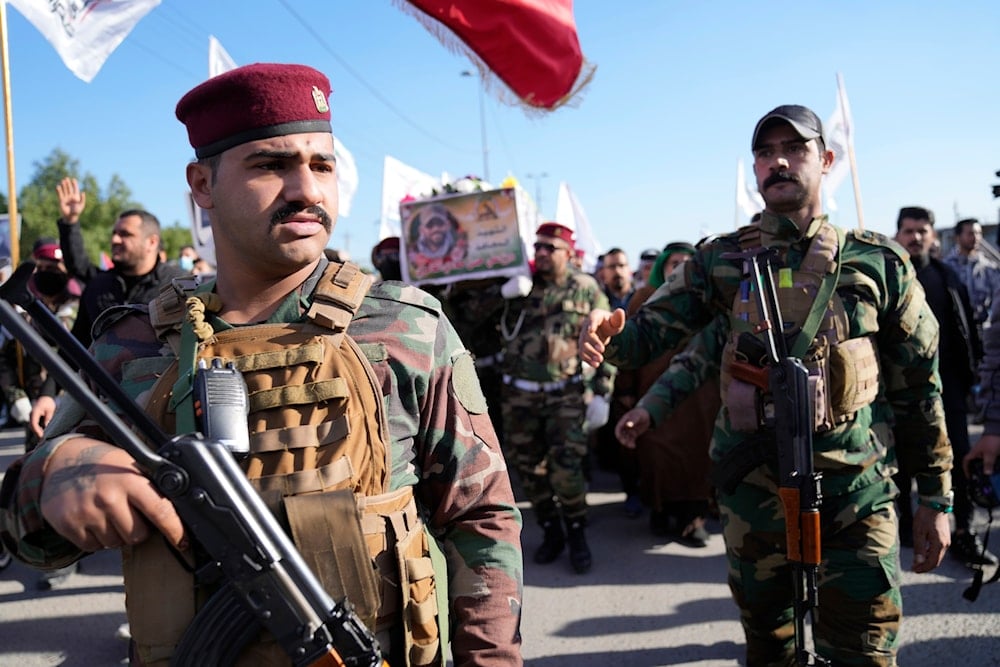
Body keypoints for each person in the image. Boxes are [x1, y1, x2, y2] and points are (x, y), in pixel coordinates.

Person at [0, 63, 522, 666]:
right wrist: (60, 472)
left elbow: (482, 518)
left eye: (321, 165)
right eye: (271, 165)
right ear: (201, 185)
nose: (307, 190)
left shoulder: (406, 326)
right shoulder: (135, 345)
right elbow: (25, 539)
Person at [580, 104, 953, 665]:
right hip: (754, 493)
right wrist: (608, 333)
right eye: (764, 152)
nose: (778, 161)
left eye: (795, 149)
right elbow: (649, 335)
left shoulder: (879, 263)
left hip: (855, 492)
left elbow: (920, 388)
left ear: (826, 160)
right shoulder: (721, 261)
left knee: (866, 650)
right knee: (769, 648)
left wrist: (935, 497)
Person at [28, 179, 187, 445]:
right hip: (104, 414)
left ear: (152, 242)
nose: (114, 239)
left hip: (166, 416)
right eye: (114, 233)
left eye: (125, 234)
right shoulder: (99, 286)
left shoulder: (180, 286)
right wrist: (47, 393)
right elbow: (75, 349)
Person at [499, 222, 615, 574]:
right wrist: (501, 295)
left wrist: (602, 392)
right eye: (538, 248)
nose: (543, 253)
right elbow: (472, 321)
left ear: (568, 252)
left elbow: (608, 338)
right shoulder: (520, 286)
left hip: (565, 394)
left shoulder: (585, 288)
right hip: (519, 395)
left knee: (567, 470)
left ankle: (577, 534)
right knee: (529, 471)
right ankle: (551, 531)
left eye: (551, 247)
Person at [894, 207, 996, 566]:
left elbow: (966, 330)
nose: (916, 237)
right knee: (902, 465)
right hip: (897, 392)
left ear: (934, 236)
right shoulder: (889, 277)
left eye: (922, 231)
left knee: (956, 461)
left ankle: (964, 531)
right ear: (898, 235)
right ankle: (906, 529)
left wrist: (972, 381)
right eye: (908, 231)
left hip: (947, 387)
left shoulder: (947, 277)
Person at [612, 242, 719, 546]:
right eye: (675, 263)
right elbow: (630, 344)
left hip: (700, 396)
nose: (681, 267)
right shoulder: (646, 297)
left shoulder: (708, 297)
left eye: (687, 262)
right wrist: (627, 391)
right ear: (663, 266)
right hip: (653, 393)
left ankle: (692, 519)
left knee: (698, 457)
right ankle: (660, 510)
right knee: (657, 456)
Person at [944, 218, 1000, 333]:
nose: (976, 237)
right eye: (970, 233)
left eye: (978, 233)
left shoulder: (989, 267)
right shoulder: (946, 268)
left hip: (984, 329)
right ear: (958, 237)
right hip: (956, 330)